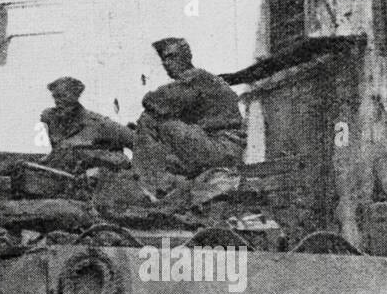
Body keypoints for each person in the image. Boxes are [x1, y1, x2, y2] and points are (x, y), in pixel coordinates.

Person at [132, 38, 245, 192]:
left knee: (152, 120)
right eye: (164, 59)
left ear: (186, 57)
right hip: (222, 147)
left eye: (171, 57)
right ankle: (156, 185)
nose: (166, 63)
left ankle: (147, 188)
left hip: (222, 147)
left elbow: (153, 101)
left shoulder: (195, 77)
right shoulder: (202, 80)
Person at [40, 77, 133, 176]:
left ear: (76, 96)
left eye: (63, 96)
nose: (58, 101)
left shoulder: (98, 123)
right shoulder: (51, 118)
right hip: (66, 176)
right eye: (55, 97)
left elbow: (138, 141)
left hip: (101, 180)